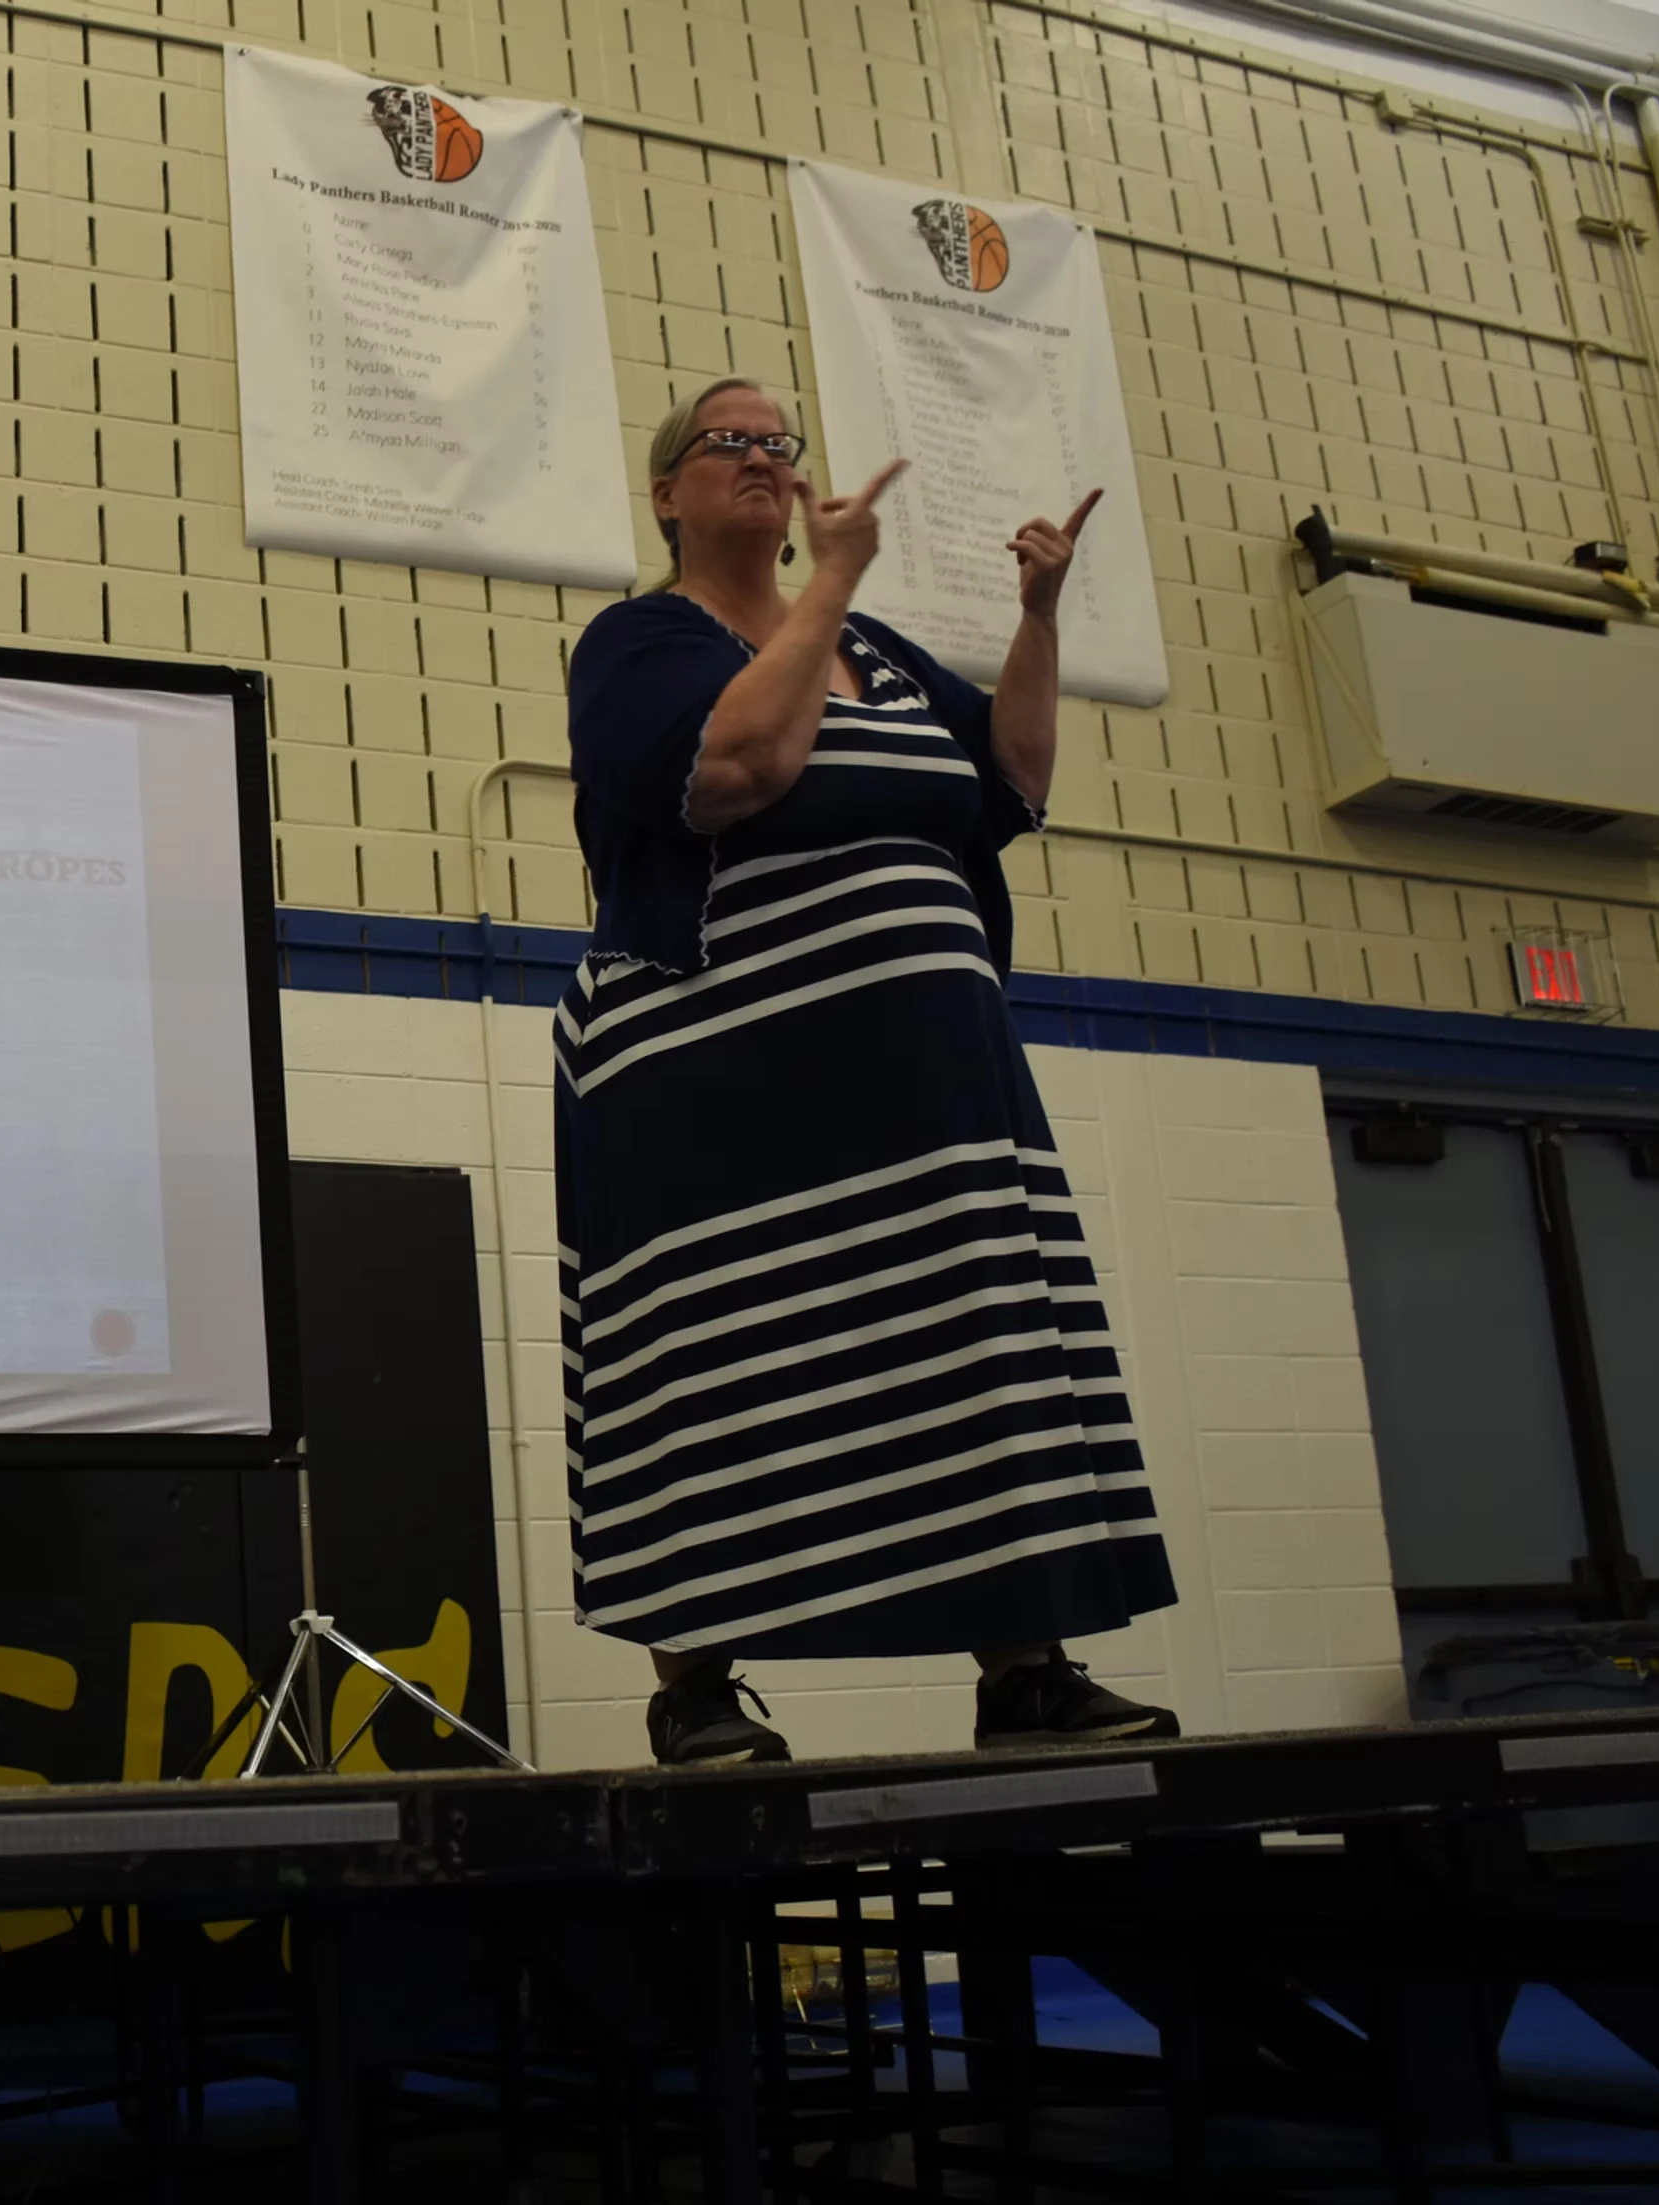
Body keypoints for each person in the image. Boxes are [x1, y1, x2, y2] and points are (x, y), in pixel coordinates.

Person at [557, 378, 1180, 1766]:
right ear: (666, 493)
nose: (763, 457)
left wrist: (1037, 618)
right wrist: (832, 579)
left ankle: (1026, 1676)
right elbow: (729, 771)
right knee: (711, 1354)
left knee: (974, 1343)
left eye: (779, 443)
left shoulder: (879, 654)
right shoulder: (640, 641)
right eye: (729, 441)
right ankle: (696, 1689)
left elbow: (1010, 787)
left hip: (925, 1093)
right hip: (710, 1079)